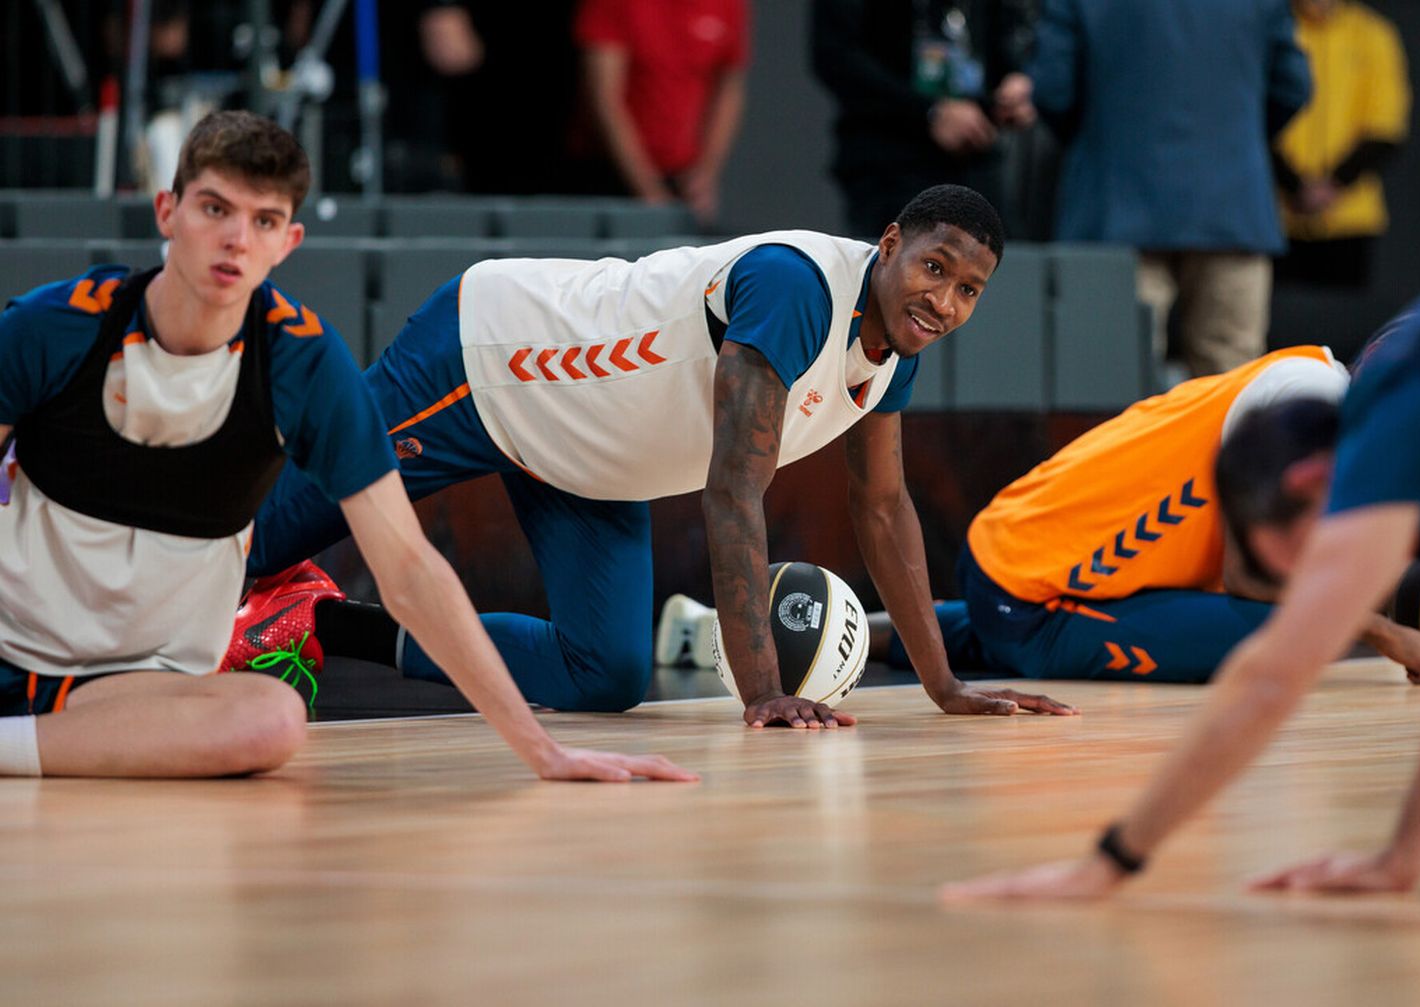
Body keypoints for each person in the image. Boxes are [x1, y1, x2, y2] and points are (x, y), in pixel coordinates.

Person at [0, 110, 693, 784]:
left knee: (272, 720)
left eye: (263, 220)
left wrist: (543, 751)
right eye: (215, 209)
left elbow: (409, 570)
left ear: (288, 241)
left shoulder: (303, 365)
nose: (236, 239)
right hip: (11, 643)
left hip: (135, 691)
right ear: (166, 212)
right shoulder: (56, 327)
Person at [238, 184, 1074, 730]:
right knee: (250, 546)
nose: (946, 300)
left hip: (587, 459)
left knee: (606, 672)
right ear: (889, 243)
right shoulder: (797, 288)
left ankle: (322, 625)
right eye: (935, 268)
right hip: (491, 359)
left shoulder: (895, 348)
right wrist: (763, 693)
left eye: (969, 290)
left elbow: (884, 508)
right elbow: (732, 493)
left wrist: (946, 687)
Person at [943, 207, 1420, 900]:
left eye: (1305, 561)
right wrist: (1404, 857)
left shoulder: (1399, 418)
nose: (1312, 582)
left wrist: (1107, 863)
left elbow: (1271, 675)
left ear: (1310, 480)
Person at [659, 346, 1420, 685]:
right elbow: (1251, 577)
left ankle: (724, 627)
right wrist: (1383, 629)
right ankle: (999, 636)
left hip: (1020, 556)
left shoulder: (1313, 386)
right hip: (1030, 594)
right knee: (1276, 638)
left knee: (981, 633)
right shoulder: (1307, 404)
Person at [994, 0, 1310, 377]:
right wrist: (1234, 140)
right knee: (1230, 385)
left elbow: (1052, 89)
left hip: (1116, 206)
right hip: (1231, 206)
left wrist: (1096, 138)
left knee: (1113, 382)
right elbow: (1294, 86)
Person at [811, 0, 1035, 238]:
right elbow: (836, 54)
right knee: (901, 266)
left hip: (976, 153)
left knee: (1002, 265)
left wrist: (1013, 82)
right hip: (888, 160)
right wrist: (930, 112)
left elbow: (1000, 32)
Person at [1273, 0, 1411, 288]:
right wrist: (1293, 185)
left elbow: (1386, 126)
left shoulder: (1373, 33)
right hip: (1277, 217)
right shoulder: (1274, 29)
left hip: (1349, 219)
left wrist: (1333, 184)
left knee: (1342, 324)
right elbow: (1255, 116)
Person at [573, 0, 749, 227]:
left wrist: (705, 173)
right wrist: (648, 189)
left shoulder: (728, 5)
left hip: (680, 178)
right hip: (607, 175)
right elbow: (603, 97)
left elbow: (729, 88)